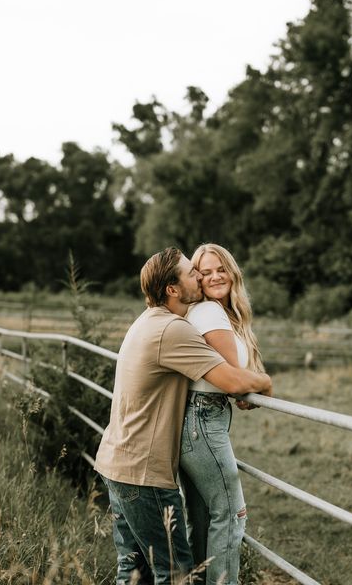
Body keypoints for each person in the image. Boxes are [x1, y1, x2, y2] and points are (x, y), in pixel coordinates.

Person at [94, 246, 272, 585]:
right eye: (194, 273)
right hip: (143, 474)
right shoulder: (172, 330)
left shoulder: (150, 321)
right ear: (173, 289)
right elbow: (232, 380)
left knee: (134, 573)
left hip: (118, 463)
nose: (201, 279)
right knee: (176, 575)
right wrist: (265, 381)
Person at [179, 243, 265, 585]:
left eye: (220, 268)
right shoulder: (209, 312)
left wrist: (248, 382)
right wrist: (264, 384)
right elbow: (232, 375)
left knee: (202, 517)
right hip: (202, 419)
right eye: (205, 271)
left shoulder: (216, 313)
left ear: (232, 271)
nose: (214, 276)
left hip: (196, 419)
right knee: (231, 514)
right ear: (196, 279)